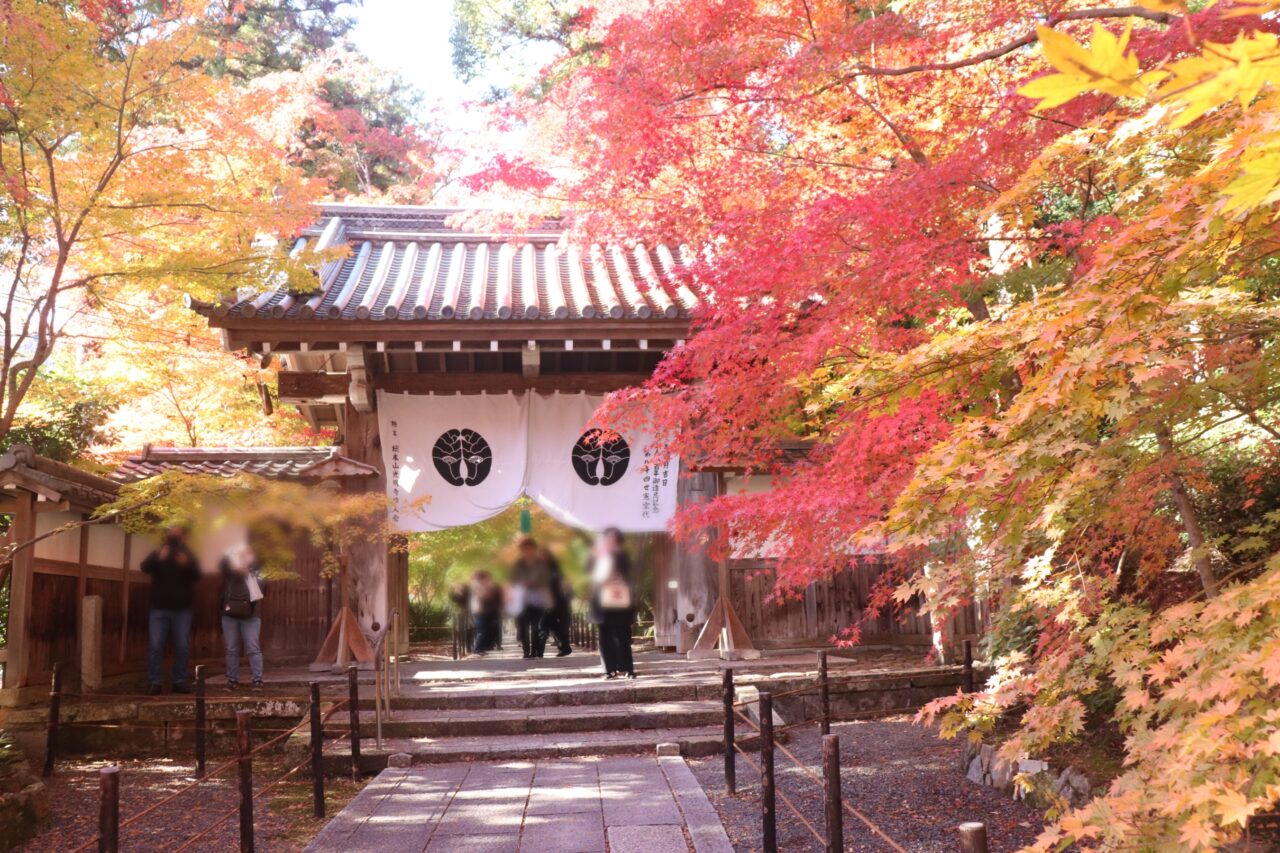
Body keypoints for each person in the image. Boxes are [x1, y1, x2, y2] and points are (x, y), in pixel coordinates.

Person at [141, 526, 201, 695]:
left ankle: (179, 681)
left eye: (178, 530)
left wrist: (187, 564)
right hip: (159, 607)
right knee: (155, 646)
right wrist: (157, 559)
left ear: (182, 534)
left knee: (182, 646)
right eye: (171, 530)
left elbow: (197, 575)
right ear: (166, 534)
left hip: (182, 609)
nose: (175, 533)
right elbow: (144, 567)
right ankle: (155, 682)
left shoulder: (188, 553)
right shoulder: (159, 551)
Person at [590, 528, 636, 679]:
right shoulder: (597, 555)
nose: (609, 541)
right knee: (605, 635)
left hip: (619, 598)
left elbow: (627, 572)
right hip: (602, 601)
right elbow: (590, 572)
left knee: (623, 634)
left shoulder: (622, 555)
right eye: (607, 538)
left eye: (613, 538)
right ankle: (608, 669)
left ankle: (627, 668)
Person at [219, 543, 265, 690]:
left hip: (251, 614)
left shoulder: (258, 569)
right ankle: (232, 680)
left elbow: (262, 589)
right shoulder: (230, 569)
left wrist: (248, 574)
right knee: (231, 648)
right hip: (230, 613)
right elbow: (222, 564)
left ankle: (257, 680)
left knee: (253, 648)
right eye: (240, 553)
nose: (243, 556)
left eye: (246, 553)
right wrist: (231, 555)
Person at [511, 536, 556, 658]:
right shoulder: (518, 564)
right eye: (524, 548)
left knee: (537, 626)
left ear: (533, 548)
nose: (527, 551)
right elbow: (513, 579)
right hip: (524, 598)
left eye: (529, 548)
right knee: (524, 626)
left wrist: (535, 583)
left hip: (539, 598)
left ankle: (537, 651)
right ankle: (526, 652)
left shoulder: (541, 563)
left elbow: (547, 579)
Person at [469, 570, 504, 655]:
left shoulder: (479, 585)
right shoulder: (477, 585)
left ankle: (480, 648)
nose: (488, 580)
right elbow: (483, 596)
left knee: (484, 630)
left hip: (483, 611)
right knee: (482, 630)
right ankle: (477, 649)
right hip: (479, 611)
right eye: (487, 578)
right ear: (483, 578)